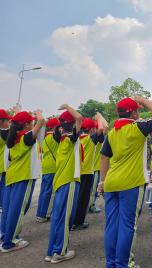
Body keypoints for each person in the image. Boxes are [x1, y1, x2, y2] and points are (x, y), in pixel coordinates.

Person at [98, 96, 152, 268]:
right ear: (133, 113)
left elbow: (104, 157)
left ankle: (111, 263)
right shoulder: (138, 128)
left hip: (111, 182)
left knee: (111, 225)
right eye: (138, 110)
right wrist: (143, 100)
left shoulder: (112, 133)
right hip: (131, 183)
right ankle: (122, 264)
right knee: (127, 225)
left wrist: (102, 181)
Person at [0, 110, 44, 252]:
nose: (33, 123)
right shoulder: (25, 137)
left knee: (8, 209)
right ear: (26, 125)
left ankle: (5, 236)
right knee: (18, 210)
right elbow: (41, 121)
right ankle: (10, 242)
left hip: (11, 175)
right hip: (23, 176)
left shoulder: (11, 138)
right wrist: (38, 113)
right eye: (30, 122)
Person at [46, 105, 83, 263]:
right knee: (64, 218)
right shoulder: (70, 138)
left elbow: (77, 119)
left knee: (57, 217)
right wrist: (67, 106)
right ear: (72, 125)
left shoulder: (60, 140)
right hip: (69, 181)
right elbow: (80, 118)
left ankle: (51, 251)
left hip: (60, 182)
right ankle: (60, 251)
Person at [72, 117, 97, 230]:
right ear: (91, 129)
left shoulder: (76, 139)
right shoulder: (90, 139)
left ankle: (73, 221)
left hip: (77, 172)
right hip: (87, 172)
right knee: (83, 199)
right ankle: (78, 222)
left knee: (77, 198)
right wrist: (98, 116)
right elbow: (104, 127)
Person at [36, 117, 61, 223]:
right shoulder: (54, 137)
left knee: (43, 191)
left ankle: (40, 213)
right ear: (55, 127)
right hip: (52, 167)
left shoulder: (45, 137)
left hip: (46, 166)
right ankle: (46, 213)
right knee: (49, 192)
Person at [89, 114, 107, 214]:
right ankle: (91, 205)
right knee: (93, 189)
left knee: (93, 188)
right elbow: (105, 127)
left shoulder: (91, 138)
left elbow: (105, 126)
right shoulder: (95, 138)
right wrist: (100, 117)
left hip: (95, 167)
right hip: (95, 167)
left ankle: (91, 204)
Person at [0, 109, 12, 215]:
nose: (9, 122)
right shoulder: (3, 133)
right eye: (7, 120)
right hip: (2, 166)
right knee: (3, 188)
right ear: (1, 121)